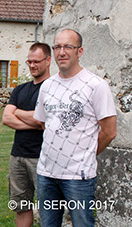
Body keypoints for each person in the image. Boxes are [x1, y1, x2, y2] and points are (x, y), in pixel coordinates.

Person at [33, 29, 117, 227]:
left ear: (79, 52)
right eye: (57, 47)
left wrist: (87, 153)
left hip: (78, 176)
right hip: (46, 173)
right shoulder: (47, 86)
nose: (61, 52)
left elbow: (109, 131)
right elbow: (45, 123)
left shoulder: (96, 85)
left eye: (68, 47)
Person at [2, 42, 51, 227]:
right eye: (29, 62)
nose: (32, 65)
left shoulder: (53, 88)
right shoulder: (20, 89)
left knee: (48, 207)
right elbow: (6, 118)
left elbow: (42, 120)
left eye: (36, 61)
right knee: (21, 206)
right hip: (17, 156)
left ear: (48, 61)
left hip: (42, 157)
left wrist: (19, 113)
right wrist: (35, 120)